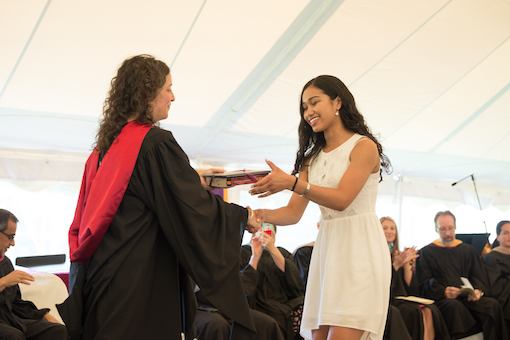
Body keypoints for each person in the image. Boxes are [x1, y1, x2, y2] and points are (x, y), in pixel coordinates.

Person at [57, 55, 262, 340]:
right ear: (147, 91)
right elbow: (191, 206)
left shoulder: (104, 150)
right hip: (138, 278)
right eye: (167, 88)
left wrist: (197, 179)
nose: (173, 97)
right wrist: (242, 217)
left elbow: (141, 193)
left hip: (101, 279)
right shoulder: (154, 143)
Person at [250, 75, 392, 340]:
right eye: (304, 107)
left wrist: (292, 183)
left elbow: (342, 199)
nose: (308, 112)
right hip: (328, 254)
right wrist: (254, 215)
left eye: (314, 102)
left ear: (337, 101)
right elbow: (292, 214)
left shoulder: (363, 147)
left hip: (360, 251)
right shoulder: (310, 159)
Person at [416, 210, 508, 340]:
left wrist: (478, 291)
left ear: (455, 227)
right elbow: (423, 283)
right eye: (443, 229)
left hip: (468, 298)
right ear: (436, 229)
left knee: (492, 305)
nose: (447, 233)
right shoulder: (426, 252)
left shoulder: (467, 250)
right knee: (454, 306)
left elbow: (479, 276)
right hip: (443, 300)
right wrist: (443, 292)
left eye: (450, 228)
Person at [0, 209, 67, 340]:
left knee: (57, 331)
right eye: (10, 237)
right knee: (14, 336)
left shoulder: (5, 263)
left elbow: (16, 304)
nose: (13, 243)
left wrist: (44, 315)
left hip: (9, 320)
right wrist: (3, 282)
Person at [380, 216, 449, 340]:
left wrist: (406, 264)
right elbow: (381, 282)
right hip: (387, 299)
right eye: (385, 228)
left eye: (392, 228)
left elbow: (409, 286)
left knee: (430, 310)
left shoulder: (399, 253)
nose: (389, 231)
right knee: (416, 313)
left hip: (402, 296)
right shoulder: (376, 253)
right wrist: (396, 265)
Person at [240, 224, 305, 340]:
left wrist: (272, 250)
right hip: (256, 303)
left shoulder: (281, 253)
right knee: (274, 317)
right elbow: (243, 289)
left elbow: (296, 285)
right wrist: (256, 255)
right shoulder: (244, 253)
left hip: (285, 303)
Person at [482, 220, 510, 336]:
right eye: (506, 232)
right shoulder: (490, 258)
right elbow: (495, 287)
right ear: (498, 236)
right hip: (505, 301)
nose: (509, 236)